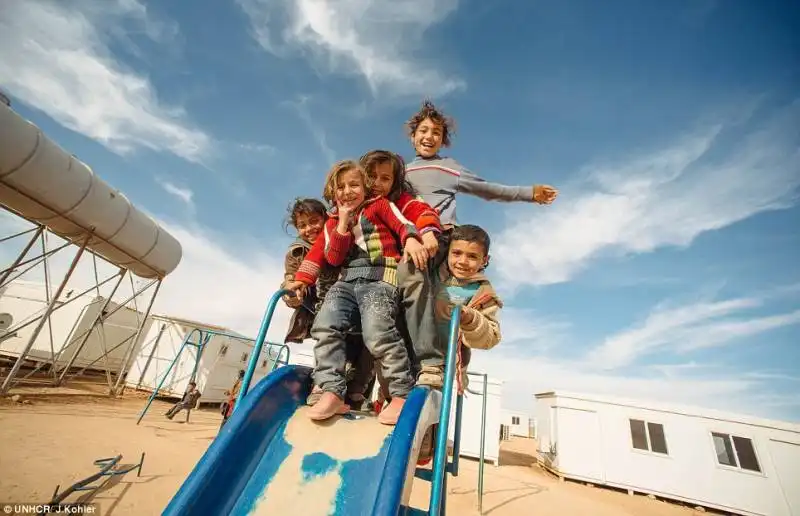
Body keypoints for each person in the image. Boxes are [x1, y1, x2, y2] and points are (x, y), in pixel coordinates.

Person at [399, 99, 558, 388]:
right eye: (423, 130)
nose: (428, 136)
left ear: (442, 141)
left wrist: (528, 193)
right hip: (410, 239)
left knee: (445, 296)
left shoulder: (450, 169)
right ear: (413, 136)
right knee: (404, 294)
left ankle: (442, 364)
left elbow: (488, 190)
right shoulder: (402, 173)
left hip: (442, 238)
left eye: (436, 132)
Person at [285, 159, 427, 425]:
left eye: (354, 184)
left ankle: (401, 394)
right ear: (332, 192)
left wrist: (410, 238)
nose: (347, 191)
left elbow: (400, 223)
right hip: (347, 279)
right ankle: (331, 390)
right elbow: (330, 257)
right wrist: (302, 278)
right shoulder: (332, 222)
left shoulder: (379, 206)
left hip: (381, 276)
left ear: (365, 187)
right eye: (341, 187)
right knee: (324, 326)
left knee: (378, 333)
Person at [357, 149, 444, 409]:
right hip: (366, 274)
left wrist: (426, 234)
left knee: (414, 270)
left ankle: (429, 362)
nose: (377, 184)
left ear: (394, 182)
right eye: (371, 177)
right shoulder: (355, 203)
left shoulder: (400, 201)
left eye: (385, 178)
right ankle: (359, 387)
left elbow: (422, 212)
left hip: (397, 264)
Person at [418, 224, 504, 463]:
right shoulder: (433, 272)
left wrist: (469, 317)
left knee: (427, 417)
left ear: (484, 260)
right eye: (457, 253)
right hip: (413, 352)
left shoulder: (483, 291)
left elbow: (491, 337)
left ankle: (429, 439)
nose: (463, 261)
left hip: (445, 366)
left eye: (472, 256)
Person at [279, 197, 373, 410]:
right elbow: (291, 277)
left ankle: (358, 393)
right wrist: (290, 292)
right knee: (330, 345)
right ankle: (324, 386)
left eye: (314, 221)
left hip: (353, 305)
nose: (309, 228)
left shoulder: (341, 236)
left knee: (365, 353)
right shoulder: (297, 251)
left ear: (326, 218)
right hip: (323, 309)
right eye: (302, 225)